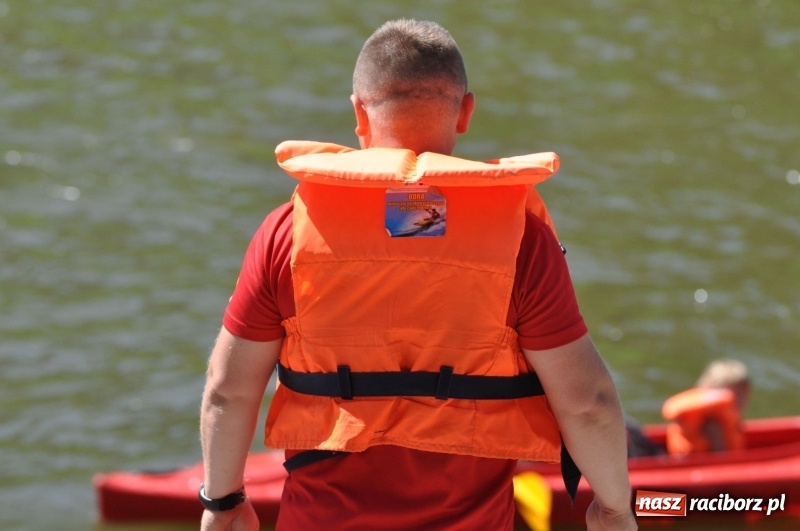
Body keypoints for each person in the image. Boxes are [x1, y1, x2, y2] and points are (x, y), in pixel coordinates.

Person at [199, 19, 636, 531]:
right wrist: (613, 507)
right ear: (466, 111)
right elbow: (589, 404)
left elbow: (228, 390)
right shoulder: (522, 244)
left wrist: (223, 505)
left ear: (359, 113)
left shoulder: (288, 235)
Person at [662, 358, 750, 455]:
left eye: (743, 392)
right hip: (694, 467)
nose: (740, 398)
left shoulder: (729, 417)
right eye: (735, 392)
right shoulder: (710, 422)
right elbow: (720, 460)